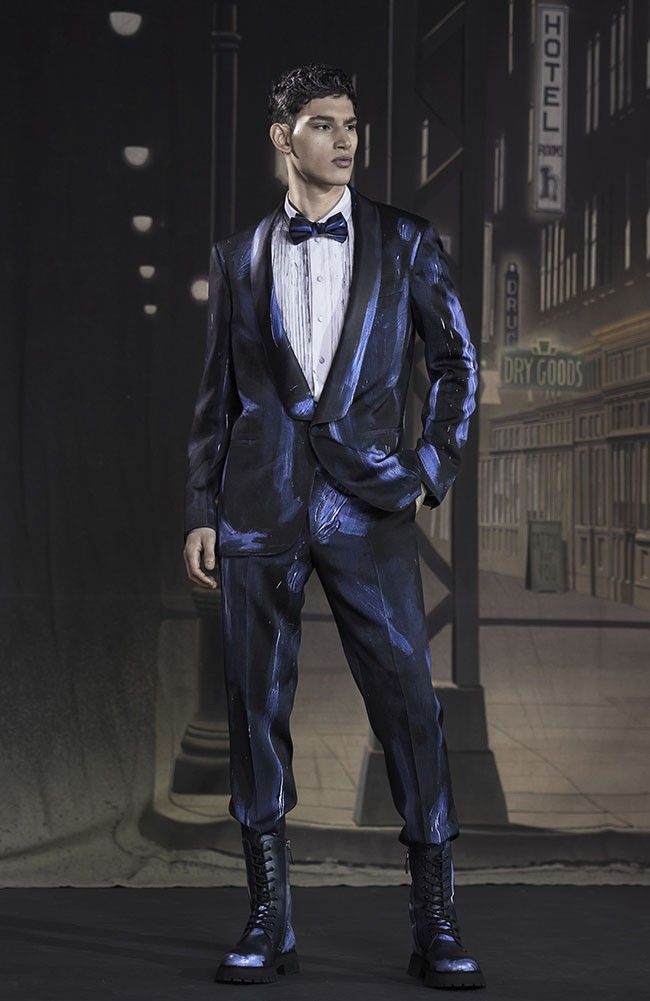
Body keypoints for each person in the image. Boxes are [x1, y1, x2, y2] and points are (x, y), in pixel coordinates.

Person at [183, 64, 484, 991]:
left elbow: (458, 363)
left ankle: (436, 920)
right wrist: (200, 510)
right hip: (257, 508)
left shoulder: (406, 240)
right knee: (252, 707)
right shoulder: (237, 257)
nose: (346, 139)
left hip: (370, 504)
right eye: (324, 124)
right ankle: (269, 917)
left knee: (410, 704)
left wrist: (431, 468)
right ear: (284, 137)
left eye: (352, 124)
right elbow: (215, 401)